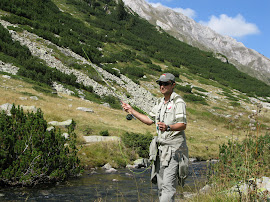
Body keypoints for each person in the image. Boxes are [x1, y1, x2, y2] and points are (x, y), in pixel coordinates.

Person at [121, 73, 189, 202]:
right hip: (160, 150)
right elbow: (148, 120)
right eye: (160, 84)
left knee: (168, 187)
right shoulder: (159, 102)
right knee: (161, 186)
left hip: (174, 150)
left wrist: (168, 127)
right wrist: (131, 110)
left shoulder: (178, 102)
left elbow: (183, 125)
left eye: (166, 83)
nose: (162, 86)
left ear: (173, 85)